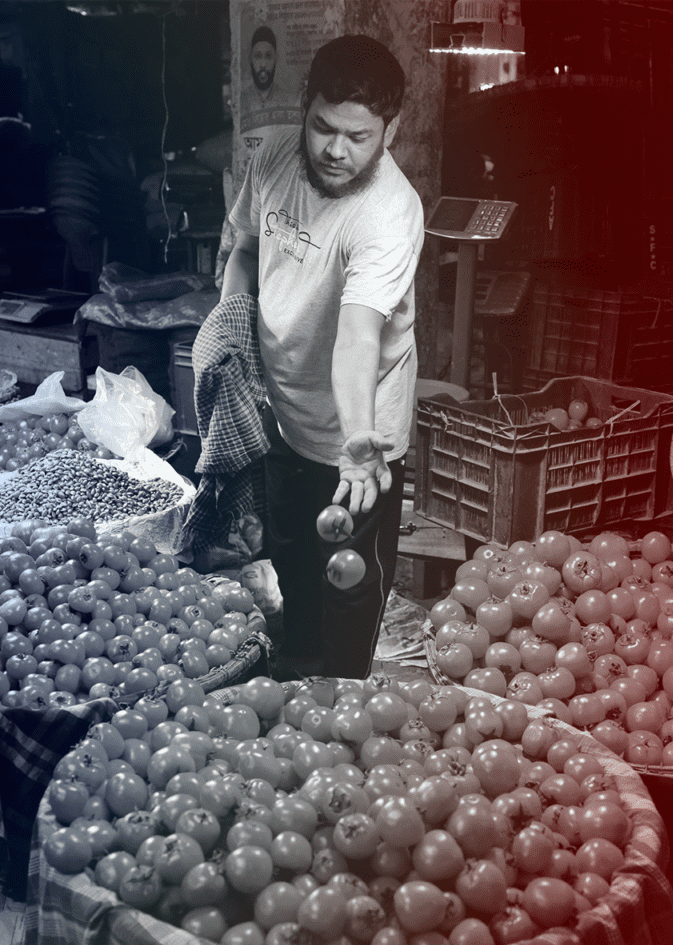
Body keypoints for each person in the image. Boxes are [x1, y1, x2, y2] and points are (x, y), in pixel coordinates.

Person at [222, 34, 424, 680]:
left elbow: (359, 333)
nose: (336, 150)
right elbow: (246, 251)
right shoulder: (274, 157)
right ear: (305, 107)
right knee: (292, 558)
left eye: (358, 136)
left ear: (391, 130)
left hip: (357, 439)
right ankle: (297, 678)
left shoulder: (390, 213)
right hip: (284, 411)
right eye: (323, 128)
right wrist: (229, 326)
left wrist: (359, 435)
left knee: (349, 581)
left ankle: (346, 701)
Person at [249, 26, 279, 109]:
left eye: (268, 56)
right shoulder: (241, 99)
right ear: (251, 59)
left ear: (276, 59)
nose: (263, 65)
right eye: (257, 56)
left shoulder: (288, 99)